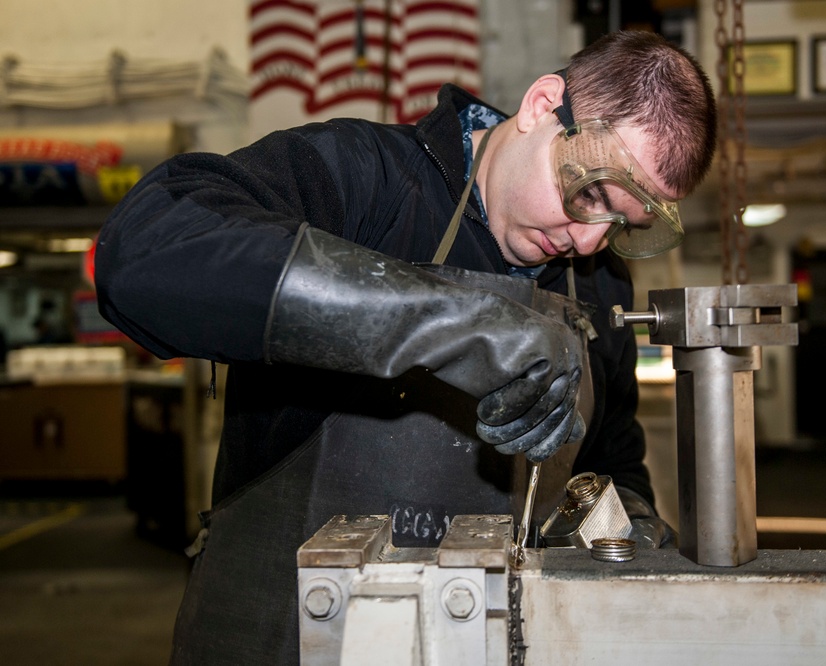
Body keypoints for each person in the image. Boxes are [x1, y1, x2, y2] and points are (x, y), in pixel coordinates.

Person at [95, 29, 716, 665]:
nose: (589, 242)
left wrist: (627, 529)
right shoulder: (365, 181)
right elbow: (148, 250)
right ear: (542, 105)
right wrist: (450, 321)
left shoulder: (599, 283)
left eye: (620, 226)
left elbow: (606, 461)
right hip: (282, 640)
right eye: (590, 194)